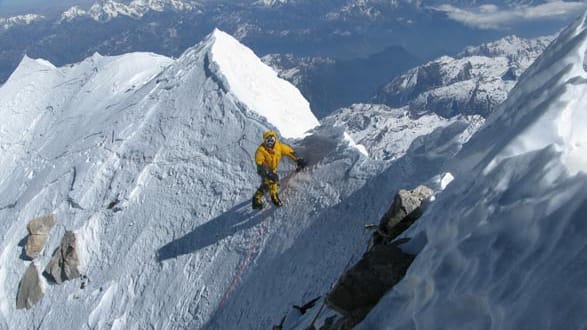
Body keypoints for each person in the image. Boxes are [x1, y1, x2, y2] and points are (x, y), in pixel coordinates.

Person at [252, 130, 306, 209]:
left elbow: (289, 152)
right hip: (264, 170)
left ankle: (256, 199)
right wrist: (266, 173)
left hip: (272, 169)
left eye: (272, 140)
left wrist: (298, 159)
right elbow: (259, 165)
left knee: (266, 185)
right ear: (264, 141)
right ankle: (274, 197)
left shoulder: (279, 147)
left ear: (275, 139)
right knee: (272, 180)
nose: (270, 143)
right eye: (268, 141)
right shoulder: (261, 151)